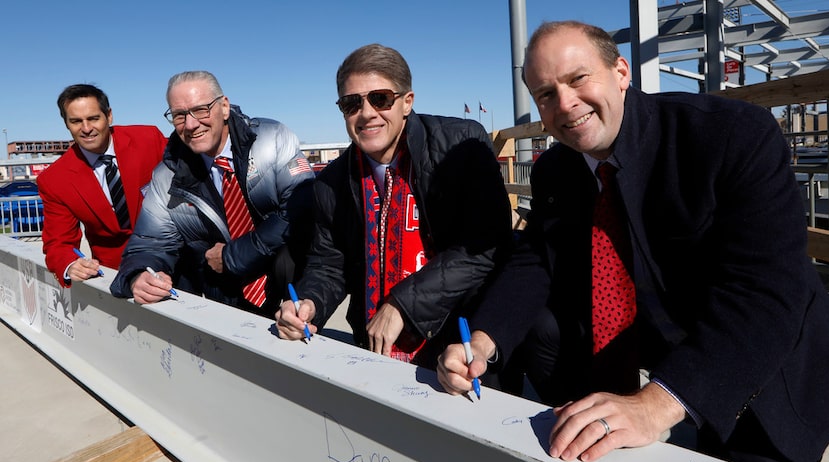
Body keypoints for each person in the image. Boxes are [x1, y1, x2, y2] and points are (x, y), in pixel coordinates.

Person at [437, 20, 829, 462]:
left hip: (761, 361)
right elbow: (536, 259)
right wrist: (482, 339)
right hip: (651, 338)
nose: (565, 105)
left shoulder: (729, 135)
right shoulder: (555, 169)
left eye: (578, 79)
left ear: (621, 71)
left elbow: (766, 293)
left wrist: (654, 405)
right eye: (545, 94)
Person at [276, 44, 512, 367]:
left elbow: (483, 246)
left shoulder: (460, 145)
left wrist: (402, 304)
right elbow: (328, 263)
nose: (367, 112)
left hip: (462, 339)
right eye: (352, 103)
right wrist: (308, 303)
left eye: (380, 98)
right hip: (373, 347)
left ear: (407, 102)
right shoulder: (330, 181)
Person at [110, 71, 314, 317]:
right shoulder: (166, 177)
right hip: (224, 302)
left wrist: (232, 256)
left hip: (291, 294)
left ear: (224, 107)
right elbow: (150, 242)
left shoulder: (272, 139)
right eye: (179, 115)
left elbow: (301, 210)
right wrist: (138, 275)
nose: (191, 124)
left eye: (201, 109)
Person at [39, 84, 167, 287]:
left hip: (177, 264)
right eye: (76, 121)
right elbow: (58, 242)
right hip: (116, 277)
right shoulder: (55, 179)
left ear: (109, 116)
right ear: (66, 124)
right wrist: (70, 264)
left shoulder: (148, 139)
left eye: (93, 118)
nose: (86, 128)